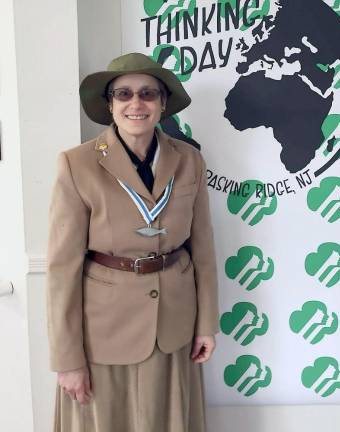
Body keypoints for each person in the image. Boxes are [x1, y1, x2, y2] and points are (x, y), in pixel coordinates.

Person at [46, 52, 219, 432]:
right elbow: (62, 268)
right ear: (110, 105)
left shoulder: (190, 160)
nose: (135, 103)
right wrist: (67, 359)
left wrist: (207, 323)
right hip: (103, 332)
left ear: (162, 104)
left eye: (148, 94)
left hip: (174, 327)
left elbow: (203, 247)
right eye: (123, 94)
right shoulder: (78, 164)